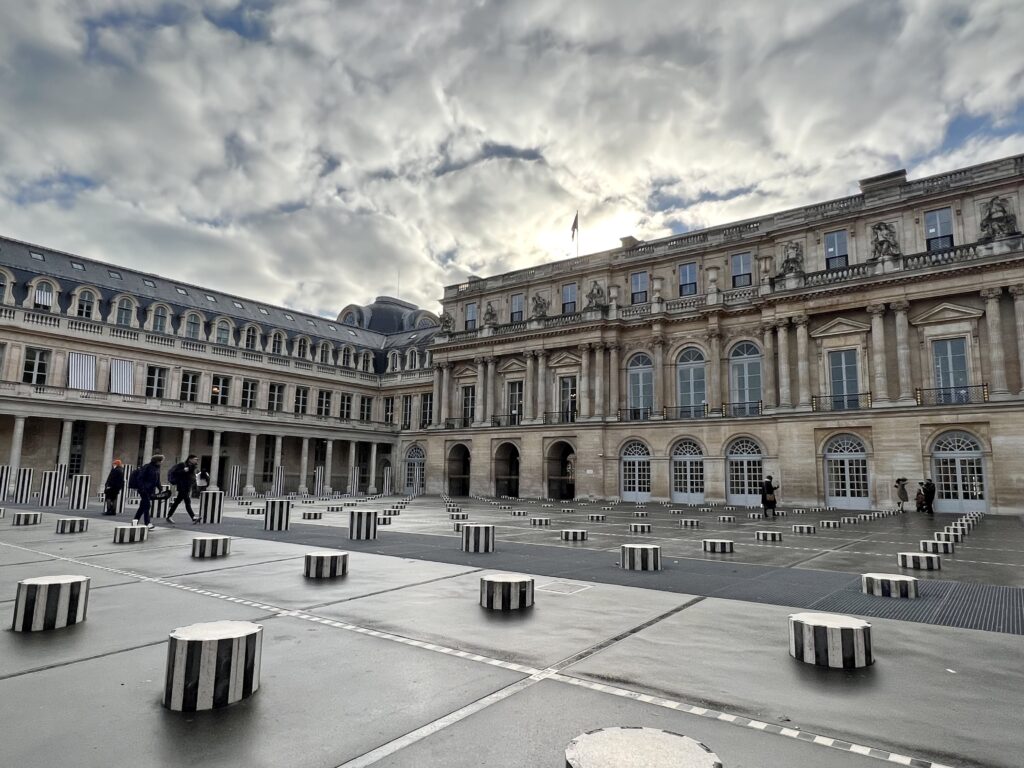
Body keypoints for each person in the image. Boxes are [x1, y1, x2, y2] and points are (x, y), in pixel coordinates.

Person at [133, 454, 164, 530]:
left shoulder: (157, 468)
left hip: (150, 490)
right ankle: (147, 523)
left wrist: (160, 488)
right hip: (144, 489)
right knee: (147, 505)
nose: (161, 463)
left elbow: (157, 479)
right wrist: (142, 488)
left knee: (142, 506)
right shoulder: (147, 467)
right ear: (156, 461)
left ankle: (135, 521)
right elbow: (140, 478)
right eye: (160, 461)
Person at [166, 454, 199, 524]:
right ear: (190, 459)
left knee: (177, 502)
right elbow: (175, 472)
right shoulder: (182, 465)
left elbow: (190, 476)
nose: (196, 460)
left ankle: (169, 516)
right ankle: (193, 517)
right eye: (195, 459)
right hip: (182, 486)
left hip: (187, 487)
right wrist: (183, 470)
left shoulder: (192, 466)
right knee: (187, 502)